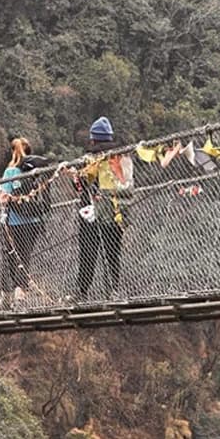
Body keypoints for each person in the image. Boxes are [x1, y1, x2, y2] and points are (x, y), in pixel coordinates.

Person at [71, 117, 133, 302]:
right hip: (116, 212)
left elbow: (80, 184)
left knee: (88, 253)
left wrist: (76, 175)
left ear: (93, 139)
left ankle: (81, 293)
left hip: (90, 213)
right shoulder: (120, 157)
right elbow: (127, 184)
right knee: (113, 253)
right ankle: (112, 291)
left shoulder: (89, 159)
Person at [0, 138, 51, 309]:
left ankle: (8, 295)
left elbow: (4, 198)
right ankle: (21, 290)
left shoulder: (10, 172)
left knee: (11, 256)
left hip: (14, 221)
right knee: (25, 255)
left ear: (13, 151)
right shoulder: (38, 171)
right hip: (34, 220)